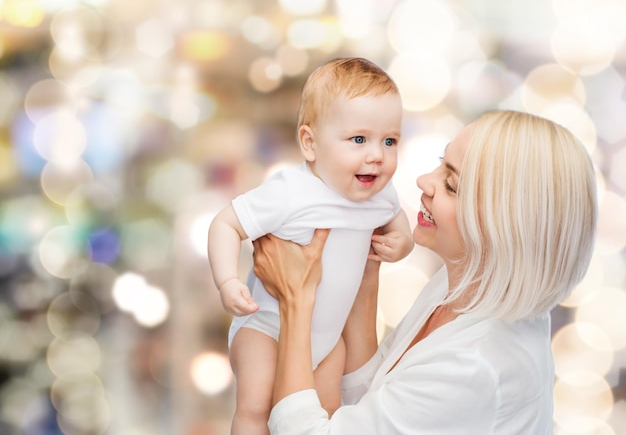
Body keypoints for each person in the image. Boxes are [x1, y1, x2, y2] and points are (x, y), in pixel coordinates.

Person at [252, 109, 598, 434]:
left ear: (505, 227)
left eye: (451, 185)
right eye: (440, 164)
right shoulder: (467, 283)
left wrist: (296, 300)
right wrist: (366, 273)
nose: (423, 181)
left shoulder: (475, 366)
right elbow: (375, 398)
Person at [207, 57, 414, 434]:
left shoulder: (380, 196)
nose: (377, 155)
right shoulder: (291, 192)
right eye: (358, 139)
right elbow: (225, 223)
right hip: (267, 327)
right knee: (256, 406)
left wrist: (401, 244)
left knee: (326, 414)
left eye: (389, 141)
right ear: (310, 144)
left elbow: (398, 225)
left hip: (328, 339)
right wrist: (226, 281)